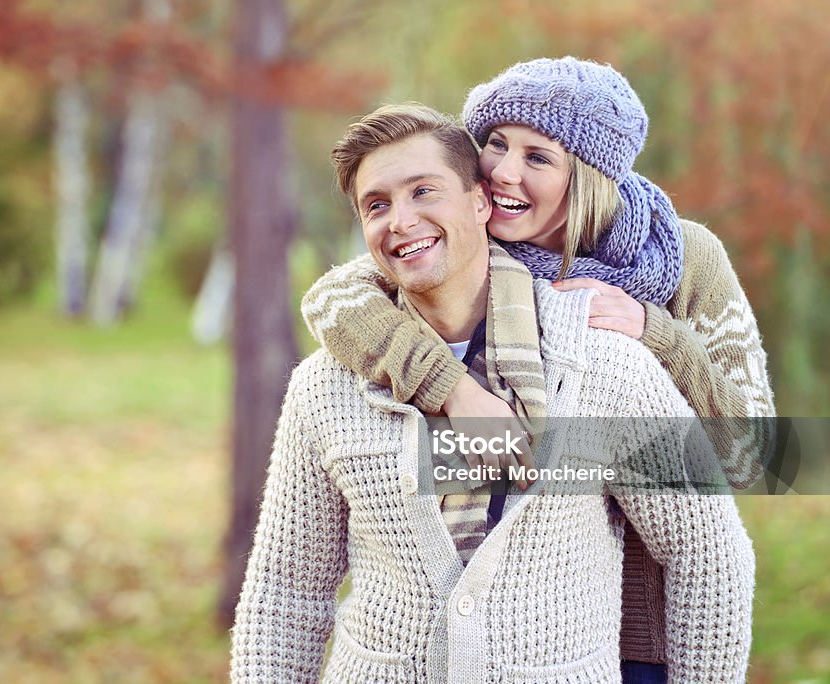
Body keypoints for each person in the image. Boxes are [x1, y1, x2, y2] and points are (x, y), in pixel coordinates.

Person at [231, 103, 754, 683]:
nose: (400, 220)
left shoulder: (603, 363)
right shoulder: (326, 386)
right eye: (376, 205)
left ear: (481, 202)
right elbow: (286, 590)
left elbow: (708, 555)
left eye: (424, 191)